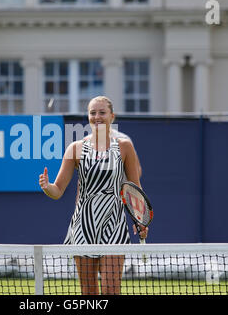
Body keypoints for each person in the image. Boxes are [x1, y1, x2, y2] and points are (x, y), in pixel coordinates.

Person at [39, 95, 148, 295]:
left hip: (114, 225)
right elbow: (58, 190)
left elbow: (134, 188)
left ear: (112, 116)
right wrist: (47, 186)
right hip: (83, 227)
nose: (97, 117)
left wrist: (140, 220)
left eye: (102, 112)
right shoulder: (75, 148)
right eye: (92, 113)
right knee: (88, 294)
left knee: (110, 291)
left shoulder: (124, 147)